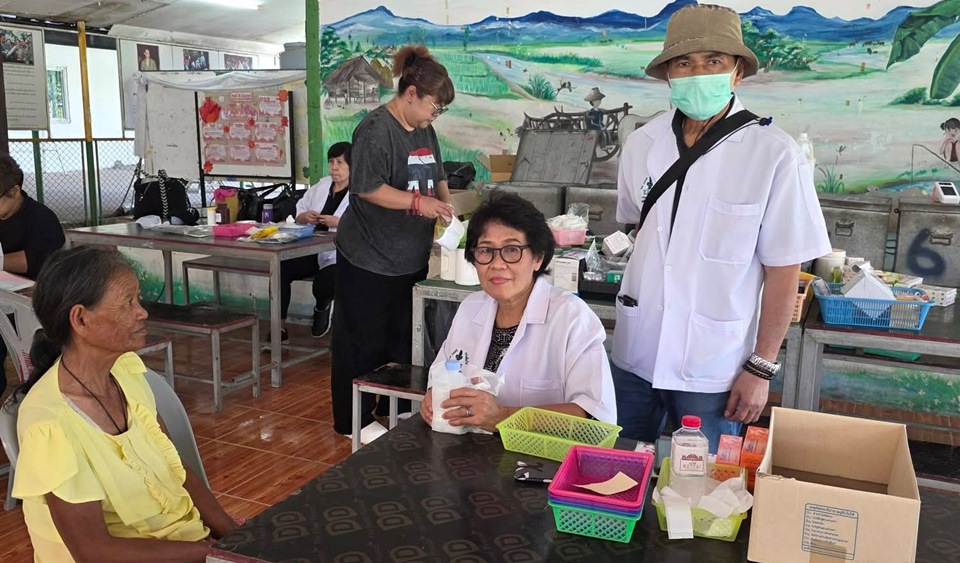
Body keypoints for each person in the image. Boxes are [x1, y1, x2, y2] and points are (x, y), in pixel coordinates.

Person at [613, 4, 831, 451]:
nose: (698, 73)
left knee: (704, 479)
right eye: (684, 63)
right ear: (668, 74)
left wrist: (761, 368)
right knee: (618, 465)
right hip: (637, 348)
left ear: (737, 72)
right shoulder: (642, 144)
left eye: (713, 61)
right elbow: (639, 225)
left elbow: (784, 271)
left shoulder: (773, 154)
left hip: (714, 362)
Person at [11, 247, 237, 562]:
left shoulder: (125, 373)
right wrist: (211, 554)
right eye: (128, 302)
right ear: (81, 319)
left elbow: (174, 468)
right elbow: (94, 551)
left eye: (138, 299)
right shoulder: (49, 424)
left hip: (186, 547)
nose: (142, 312)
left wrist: (238, 541)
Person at [331, 44, 456, 440]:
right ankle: (353, 421)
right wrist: (419, 203)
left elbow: (438, 175)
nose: (434, 115)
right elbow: (368, 188)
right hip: (368, 257)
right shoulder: (375, 131)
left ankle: (397, 409)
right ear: (411, 93)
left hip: (409, 257)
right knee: (361, 342)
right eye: (434, 107)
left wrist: (447, 208)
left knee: (403, 341)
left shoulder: (425, 130)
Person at [419, 194, 616, 430]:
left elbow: (595, 418)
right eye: (486, 250)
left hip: (544, 452)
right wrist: (435, 395)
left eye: (512, 250)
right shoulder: (470, 308)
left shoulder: (571, 318)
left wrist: (503, 417)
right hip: (468, 447)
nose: (497, 264)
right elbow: (443, 371)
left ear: (538, 258)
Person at [264, 142, 351, 346]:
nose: (334, 168)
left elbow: (366, 223)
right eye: (331, 162)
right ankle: (279, 328)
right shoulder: (322, 186)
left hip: (340, 253)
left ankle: (321, 307)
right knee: (280, 269)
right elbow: (299, 208)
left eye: (340, 163)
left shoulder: (361, 193)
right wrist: (302, 217)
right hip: (311, 249)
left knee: (326, 281)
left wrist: (340, 223)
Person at [0, 154, 65, 396]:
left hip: (35, 305)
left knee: (41, 360)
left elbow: (34, 260)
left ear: (14, 191)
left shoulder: (41, 219)